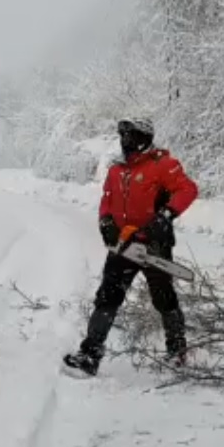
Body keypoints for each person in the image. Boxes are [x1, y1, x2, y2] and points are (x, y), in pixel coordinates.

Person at [63, 118, 199, 376]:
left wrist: (166, 216)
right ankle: (90, 354)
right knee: (107, 297)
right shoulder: (117, 170)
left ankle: (177, 351)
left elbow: (188, 190)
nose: (126, 142)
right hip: (123, 246)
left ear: (144, 138)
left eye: (131, 137)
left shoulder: (163, 165)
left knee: (164, 298)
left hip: (154, 245)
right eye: (123, 136)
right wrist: (105, 221)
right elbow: (107, 199)